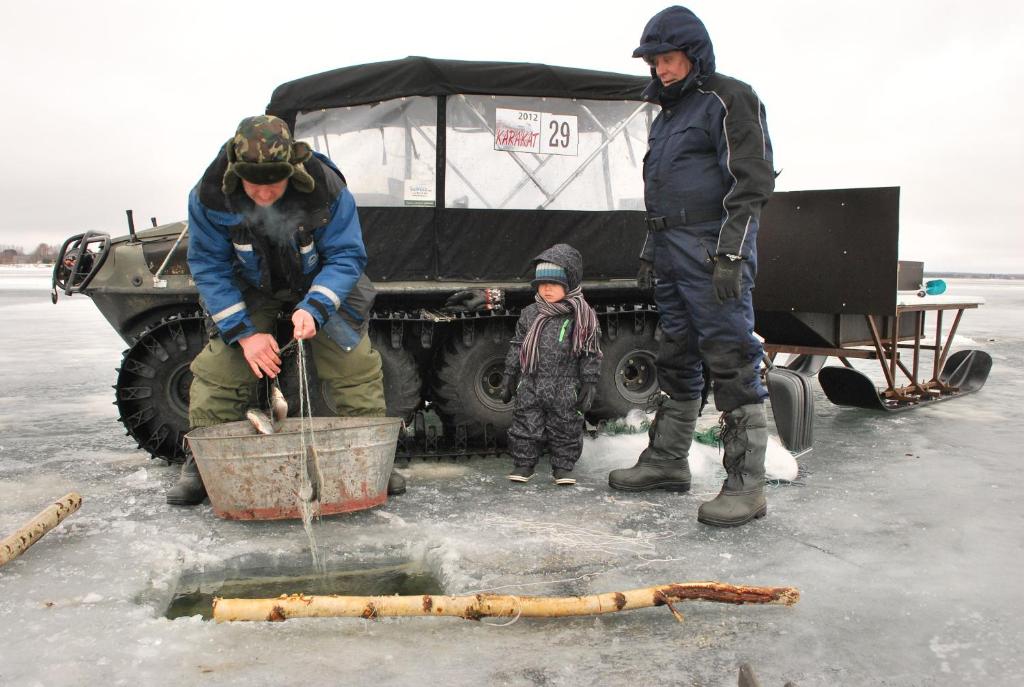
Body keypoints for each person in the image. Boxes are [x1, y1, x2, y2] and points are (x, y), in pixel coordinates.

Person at [166, 115, 405, 505]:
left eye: (273, 183)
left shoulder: (326, 189)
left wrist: (314, 308)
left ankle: (377, 458)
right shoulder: (209, 196)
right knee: (218, 372)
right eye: (253, 184)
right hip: (250, 287)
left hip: (320, 281)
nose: (263, 193)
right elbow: (208, 266)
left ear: (292, 170)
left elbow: (346, 255)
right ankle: (200, 462)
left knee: (354, 363)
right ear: (235, 174)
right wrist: (244, 334)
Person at [607, 6, 776, 527]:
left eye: (670, 59)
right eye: (655, 61)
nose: (661, 69)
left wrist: (731, 252)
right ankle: (667, 460)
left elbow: (752, 182)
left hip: (712, 250)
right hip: (670, 251)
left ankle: (747, 485)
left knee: (730, 358)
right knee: (676, 354)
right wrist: (648, 251)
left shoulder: (729, 99)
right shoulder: (667, 117)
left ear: (694, 55)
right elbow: (662, 193)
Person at [502, 244, 602, 486]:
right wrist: (509, 374)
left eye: (554, 284)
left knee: (566, 425)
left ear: (570, 283)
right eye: (541, 284)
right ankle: (524, 463)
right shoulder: (529, 314)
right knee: (525, 422)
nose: (546, 289)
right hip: (531, 382)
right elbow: (517, 344)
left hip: (565, 384)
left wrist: (589, 381)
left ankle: (563, 466)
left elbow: (590, 352)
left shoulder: (582, 316)